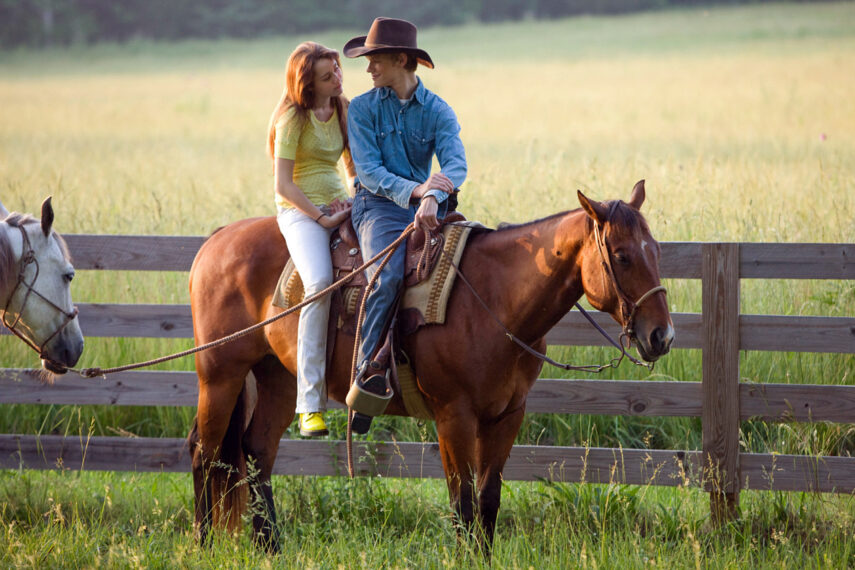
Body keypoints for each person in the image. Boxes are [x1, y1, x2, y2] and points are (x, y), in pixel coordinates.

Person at [343, 18, 467, 432]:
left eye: (375, 60)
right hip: (376, 207)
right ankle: (364, 378)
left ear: (400, 60)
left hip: (426, 204)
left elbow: (454, 162)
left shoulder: (438, 110)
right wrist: (421, 192)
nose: (368, 69)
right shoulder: (361, 109)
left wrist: (435, 194)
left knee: (472, 266)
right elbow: (371, 173)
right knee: (388, 276)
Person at [267, 41, 355, 437]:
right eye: (327, 75)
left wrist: (354, 202)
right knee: (319, 283)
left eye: (337, 69)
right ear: (307, 84)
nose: (337, 77)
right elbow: (283, 184)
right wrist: (321, 217)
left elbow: (354, 165)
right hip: (301, 212)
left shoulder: (342, 107)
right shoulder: (292, 119)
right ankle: (309, 405)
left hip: (341, 205)